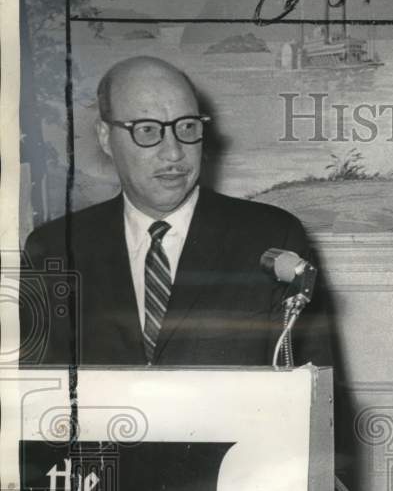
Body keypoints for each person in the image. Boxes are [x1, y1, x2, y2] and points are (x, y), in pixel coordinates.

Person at [20, 56, 333, 367]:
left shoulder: (272, 236)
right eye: (146, 130)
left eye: (186, 126)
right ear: (105, 137)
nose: (173, 152)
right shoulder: (53, 248)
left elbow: (317, 396)